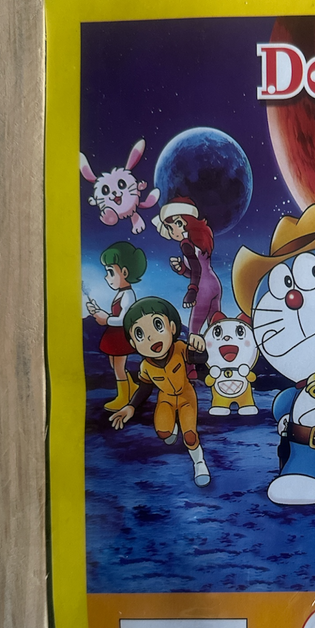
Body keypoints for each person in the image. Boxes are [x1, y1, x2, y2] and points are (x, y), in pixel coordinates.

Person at [109, 297, 211, 487]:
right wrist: (131, 407)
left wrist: (200, 347)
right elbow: (145, 387)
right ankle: (172, 428)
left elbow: (200, 359)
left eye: (157, 325)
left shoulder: (179, 348)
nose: (151, 337)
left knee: (189, 435)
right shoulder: (145, 366)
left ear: (172, 327)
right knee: (164, 433)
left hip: (186, 397)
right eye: (140, 334)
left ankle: (199, 463)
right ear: (133, 343)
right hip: (165, 399)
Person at [86, 240, 147, 410]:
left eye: (111, 272)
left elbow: (124, 319)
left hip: (121, 336)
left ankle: (123, 397)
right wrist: (97, 311)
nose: (107, 277)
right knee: (115, 365)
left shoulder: (128, 295)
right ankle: (131, 387)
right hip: (114, 335)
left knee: (119, 367)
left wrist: (106, 319)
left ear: (125, 272)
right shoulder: (121, 293)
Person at [152, 197, 222, 337]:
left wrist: (192, 290)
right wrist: (182, 269)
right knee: (216, 326)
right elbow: (199, 270)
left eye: (171, 227)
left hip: (202, 289)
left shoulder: (186, 244)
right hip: (214, 284)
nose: (171, 232)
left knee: (194, 332)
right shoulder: (200, 239)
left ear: (181, 223)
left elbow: (197, 270)